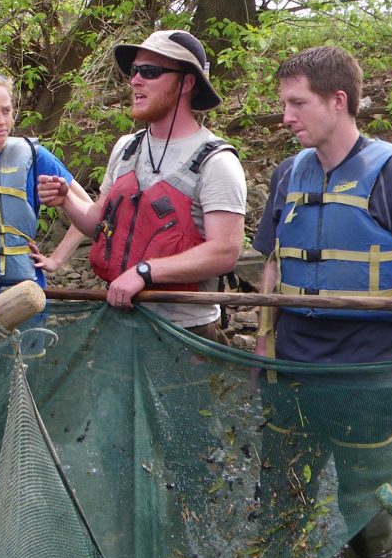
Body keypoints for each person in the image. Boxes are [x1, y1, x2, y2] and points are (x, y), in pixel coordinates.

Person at [251, 45, 392, 557]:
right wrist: (263, 343)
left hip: (366, 376)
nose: (286, 117)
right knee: (284, 503)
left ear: (337, 101)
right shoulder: (287, 174)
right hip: (292, 372)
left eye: (297, 103)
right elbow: (274, 265)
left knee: (366, 512)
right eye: (284, 104)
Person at [39, 29, 246, 344]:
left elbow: (224, 252)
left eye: (149, 72)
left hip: (186, 334)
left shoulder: (217, 162)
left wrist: (145, 271)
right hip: (121, 325)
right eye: (135, 71)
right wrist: (67, 200)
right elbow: (98, 223)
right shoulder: (126, 148)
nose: (135, 80)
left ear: (187, 83)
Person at [0, 70, 93, 386]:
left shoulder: (35, 157)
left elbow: (89, 214)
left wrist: (56, 260)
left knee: (24, 398)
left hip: (25, 300)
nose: (2, 120)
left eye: (7, 111)